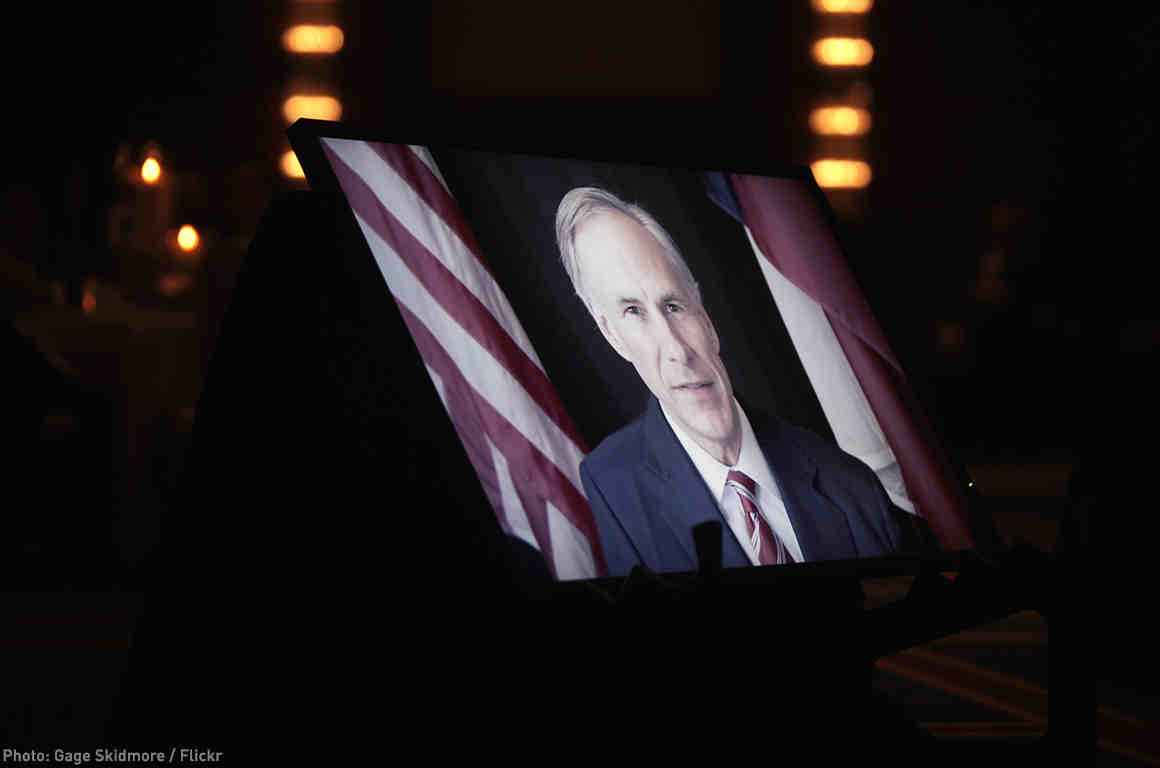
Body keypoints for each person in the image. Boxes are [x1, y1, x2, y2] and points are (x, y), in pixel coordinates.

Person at [555, 186, 910, 577]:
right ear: (612, 337)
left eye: (673, 306)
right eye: (634, 312)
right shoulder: (612, 486)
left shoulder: (851, 484)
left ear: (706, 320)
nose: (677, 350)